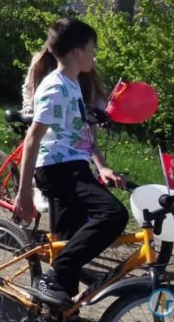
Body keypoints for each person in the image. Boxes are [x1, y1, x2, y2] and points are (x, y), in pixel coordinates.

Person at [13, 18, 128, 307]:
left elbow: (83, 132)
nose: (94, 55)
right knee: (113, 215)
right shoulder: (55, 88)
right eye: (92, 49)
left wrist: (101, 166)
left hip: (74, 166)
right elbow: (32, 140)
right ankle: (53, 276)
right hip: (56, 169)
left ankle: (59, 308)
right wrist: (23, 192)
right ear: (77, 52)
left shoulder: (73, 83)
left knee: (69, 241)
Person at [21, 48, 107, 114]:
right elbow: (28, 87)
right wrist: (28, 107)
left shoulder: (84, 63)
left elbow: (97, 94)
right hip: (43, 117)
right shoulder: (41, 61)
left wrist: (98, 113)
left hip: (78, 125)